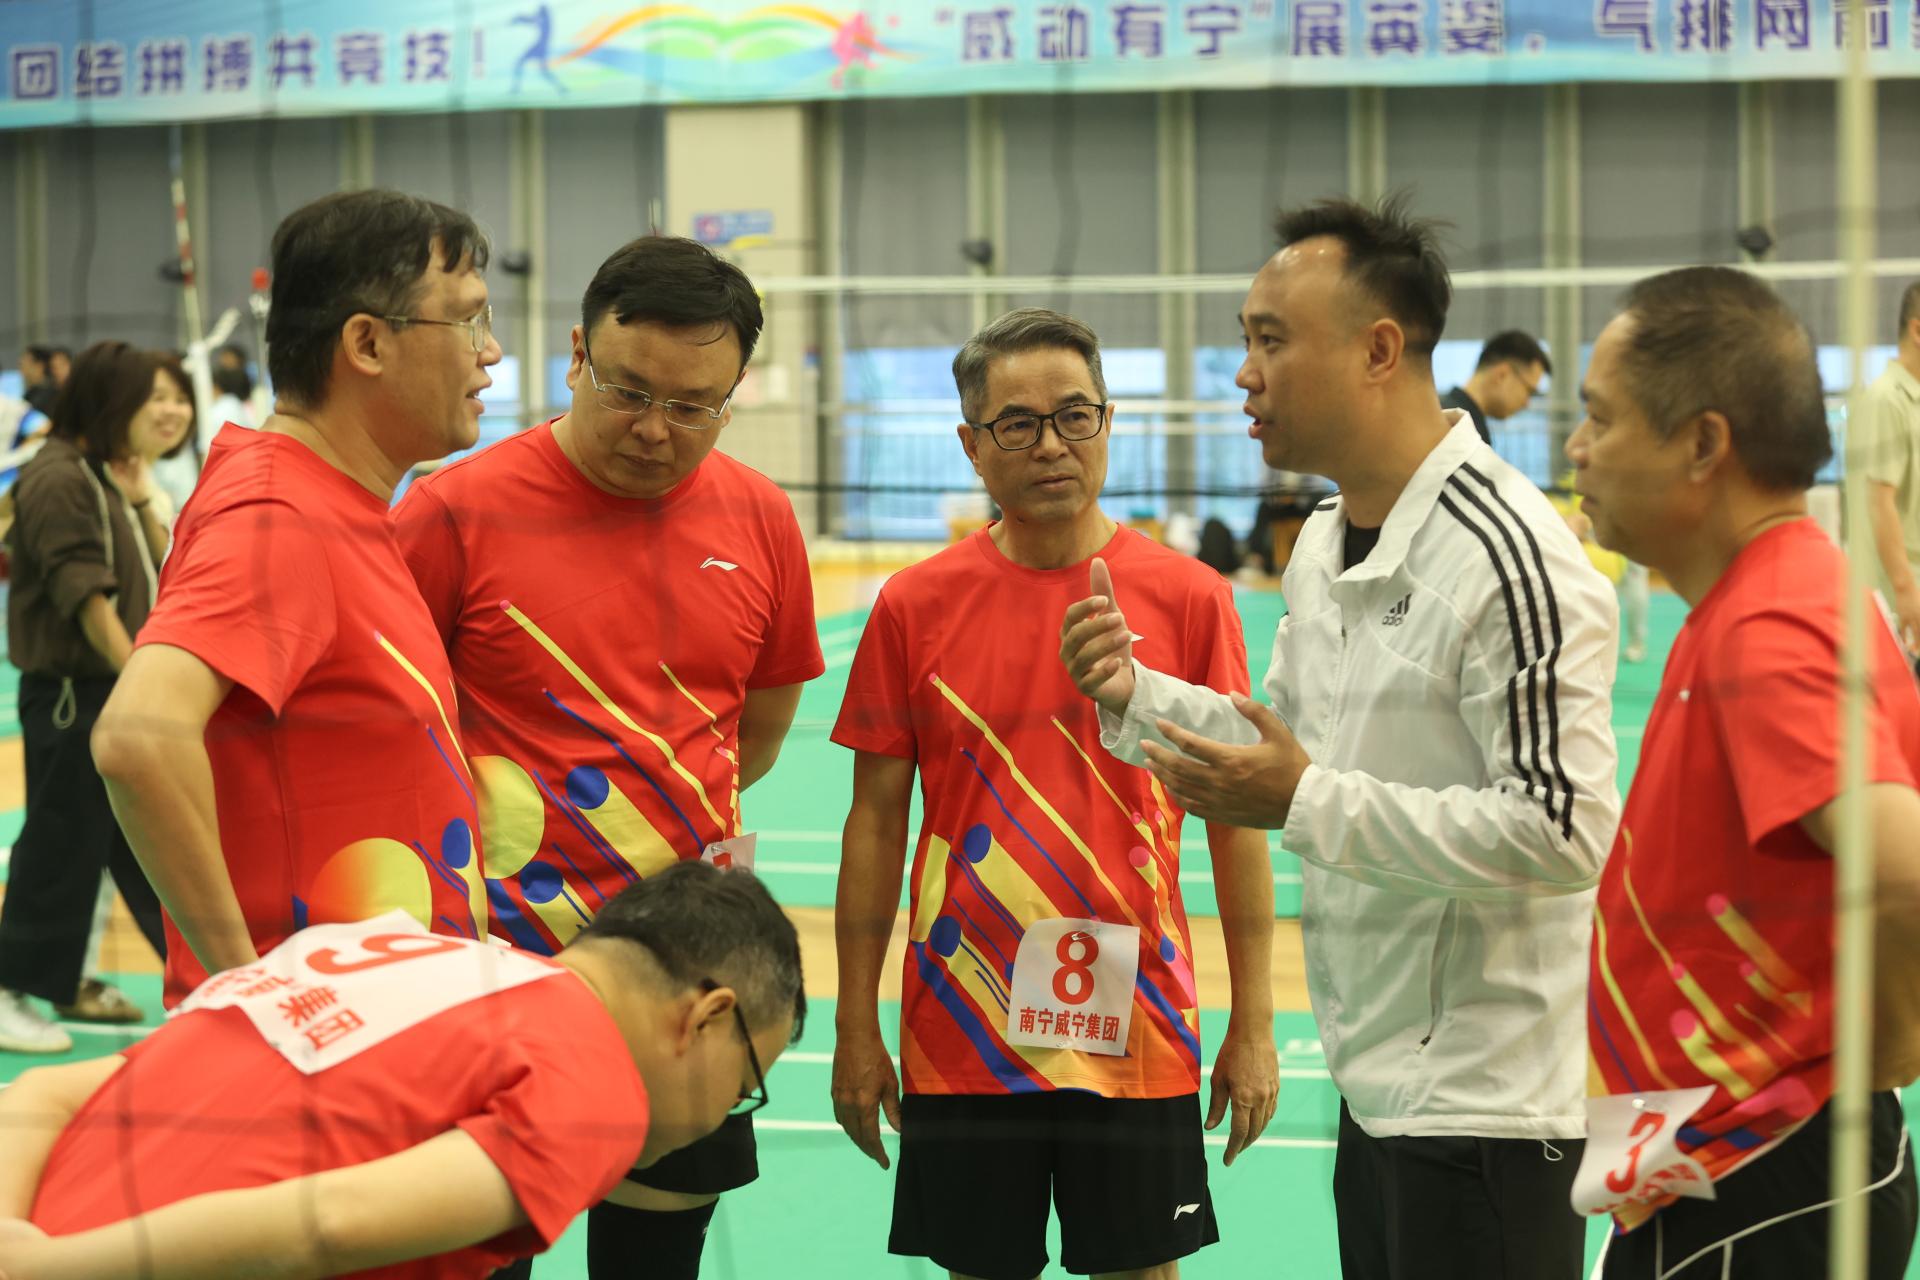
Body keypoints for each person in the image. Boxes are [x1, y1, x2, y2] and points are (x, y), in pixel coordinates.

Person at [1060, 196, 1621, 1280]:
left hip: (1492, 1112)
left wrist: (1303, 800)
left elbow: (1564, 831)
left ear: (1378, 350)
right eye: (1246, 340)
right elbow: (1286, 740)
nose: (1245, 374)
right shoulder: (1322, 543)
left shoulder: (1509, 555)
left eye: (1271, 340)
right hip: (1373, 1088)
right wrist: (1136, 694)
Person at [392, 234, 822, 1280]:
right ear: (577, 354)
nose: (654, 428)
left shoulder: (762, 517)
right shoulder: (450, 512)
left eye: (694, 406)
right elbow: (392, 734)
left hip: (684, 976)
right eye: (628, 390)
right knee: (480, 1256)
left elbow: (757, 731)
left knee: (655, 1255)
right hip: (493, 969)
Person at [832, 308, 1279, 1280]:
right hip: (961, 1017)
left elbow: (1236, 824)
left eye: (1076, 416)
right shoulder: (912, 606)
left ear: (1108, 422)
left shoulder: (1192, 598)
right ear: (971, 445)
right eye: (1018, 423)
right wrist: (854, 1021)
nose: (1051, 445)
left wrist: (1255, 1020)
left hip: (1141, 1019)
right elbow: (873, 823)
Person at [1567, 266, 1920, 1277]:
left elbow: (1904, 873)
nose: (1578, 447)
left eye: (1601, 417)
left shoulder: (1770, 625)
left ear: (1702, 444)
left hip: (1771, 1182)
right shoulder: (1748, 597)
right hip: (1720, 1170)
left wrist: (1887, 1048)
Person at [89, 189, 503, 1008]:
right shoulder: (281, 515)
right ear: (367, 343)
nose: (489, 351)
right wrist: (246, 987)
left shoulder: (339, 504)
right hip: (313, 1048)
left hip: (381, 1021)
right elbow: (137, 738)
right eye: (466, 320)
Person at [0, 860, 804, 1280]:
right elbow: (331, 1223)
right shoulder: (597, 1089)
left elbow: (43, 1091)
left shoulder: (381, 949)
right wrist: (48, 1271)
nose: (723, 1117)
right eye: (743, 1089)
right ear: (708, 1017)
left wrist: (17, 1243)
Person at [0, 343, 191, 1052]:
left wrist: (140, 500)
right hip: (74, 697)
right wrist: (143, 681)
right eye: (153, 399)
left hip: (111, 690)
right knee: (59, 844)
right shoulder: (58, 477)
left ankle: (199, 982)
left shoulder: (108, 475)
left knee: (141, 850)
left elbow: (160, 569)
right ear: (113, 403)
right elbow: (87, 598)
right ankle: (8, 987)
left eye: (177, 398)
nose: (170, 412)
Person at [1860, 281, 1920, 654]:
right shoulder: (1887, 400)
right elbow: (1879, 501)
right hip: (1905, 599)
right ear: (1917, 331)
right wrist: (1905, 589)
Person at [1440, 329, 1551, 445]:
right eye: (1529, 391)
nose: (1526, 403)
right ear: (1502, 375)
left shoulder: (1454, 418)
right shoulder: (1460, 427)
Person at [18, 347, 58, 419]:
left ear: (40, 366)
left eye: (25, 363)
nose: (22, 368)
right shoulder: (31, 393)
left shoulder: (50, 396)